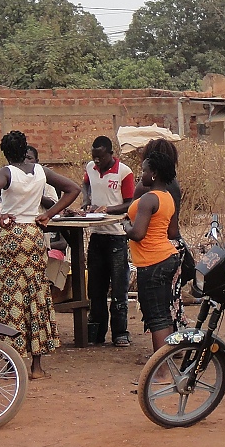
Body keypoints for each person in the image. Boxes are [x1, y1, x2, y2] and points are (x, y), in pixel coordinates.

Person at [0, 130, 80, 379]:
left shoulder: (6, 172)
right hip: (34, 236)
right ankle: (36, 367)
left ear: (5, 153)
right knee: (35, 297)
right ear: (26, 150)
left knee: (8, 298)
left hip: (11, 235)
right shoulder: (40, 171)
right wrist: (48, 214)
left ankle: (8, 364)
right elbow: (73, 189)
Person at [81, 135, 136, 347]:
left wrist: (108, 209)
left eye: (100, 158)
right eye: (94, 158)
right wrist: (87, 203)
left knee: (119, 289)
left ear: (111, 154)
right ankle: (97, 331)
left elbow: (130, 203)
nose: (96, 162)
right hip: (97, 235)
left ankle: (120, 332)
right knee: (96, 288)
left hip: (117, 237)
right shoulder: (90, 168)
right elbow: (86, 185)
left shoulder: (124, 172)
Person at [123, 151, 180, 352]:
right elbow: (172, 232)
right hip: (167, 258)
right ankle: (166, 363)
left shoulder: (148, 199)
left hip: (152, 262)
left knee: (156, 317)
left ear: (154, 173)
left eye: (144, 171)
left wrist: (126, 227)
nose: (141, 175)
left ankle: (162, 370)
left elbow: (138, 233)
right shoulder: (168, 197)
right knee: (164, 314)